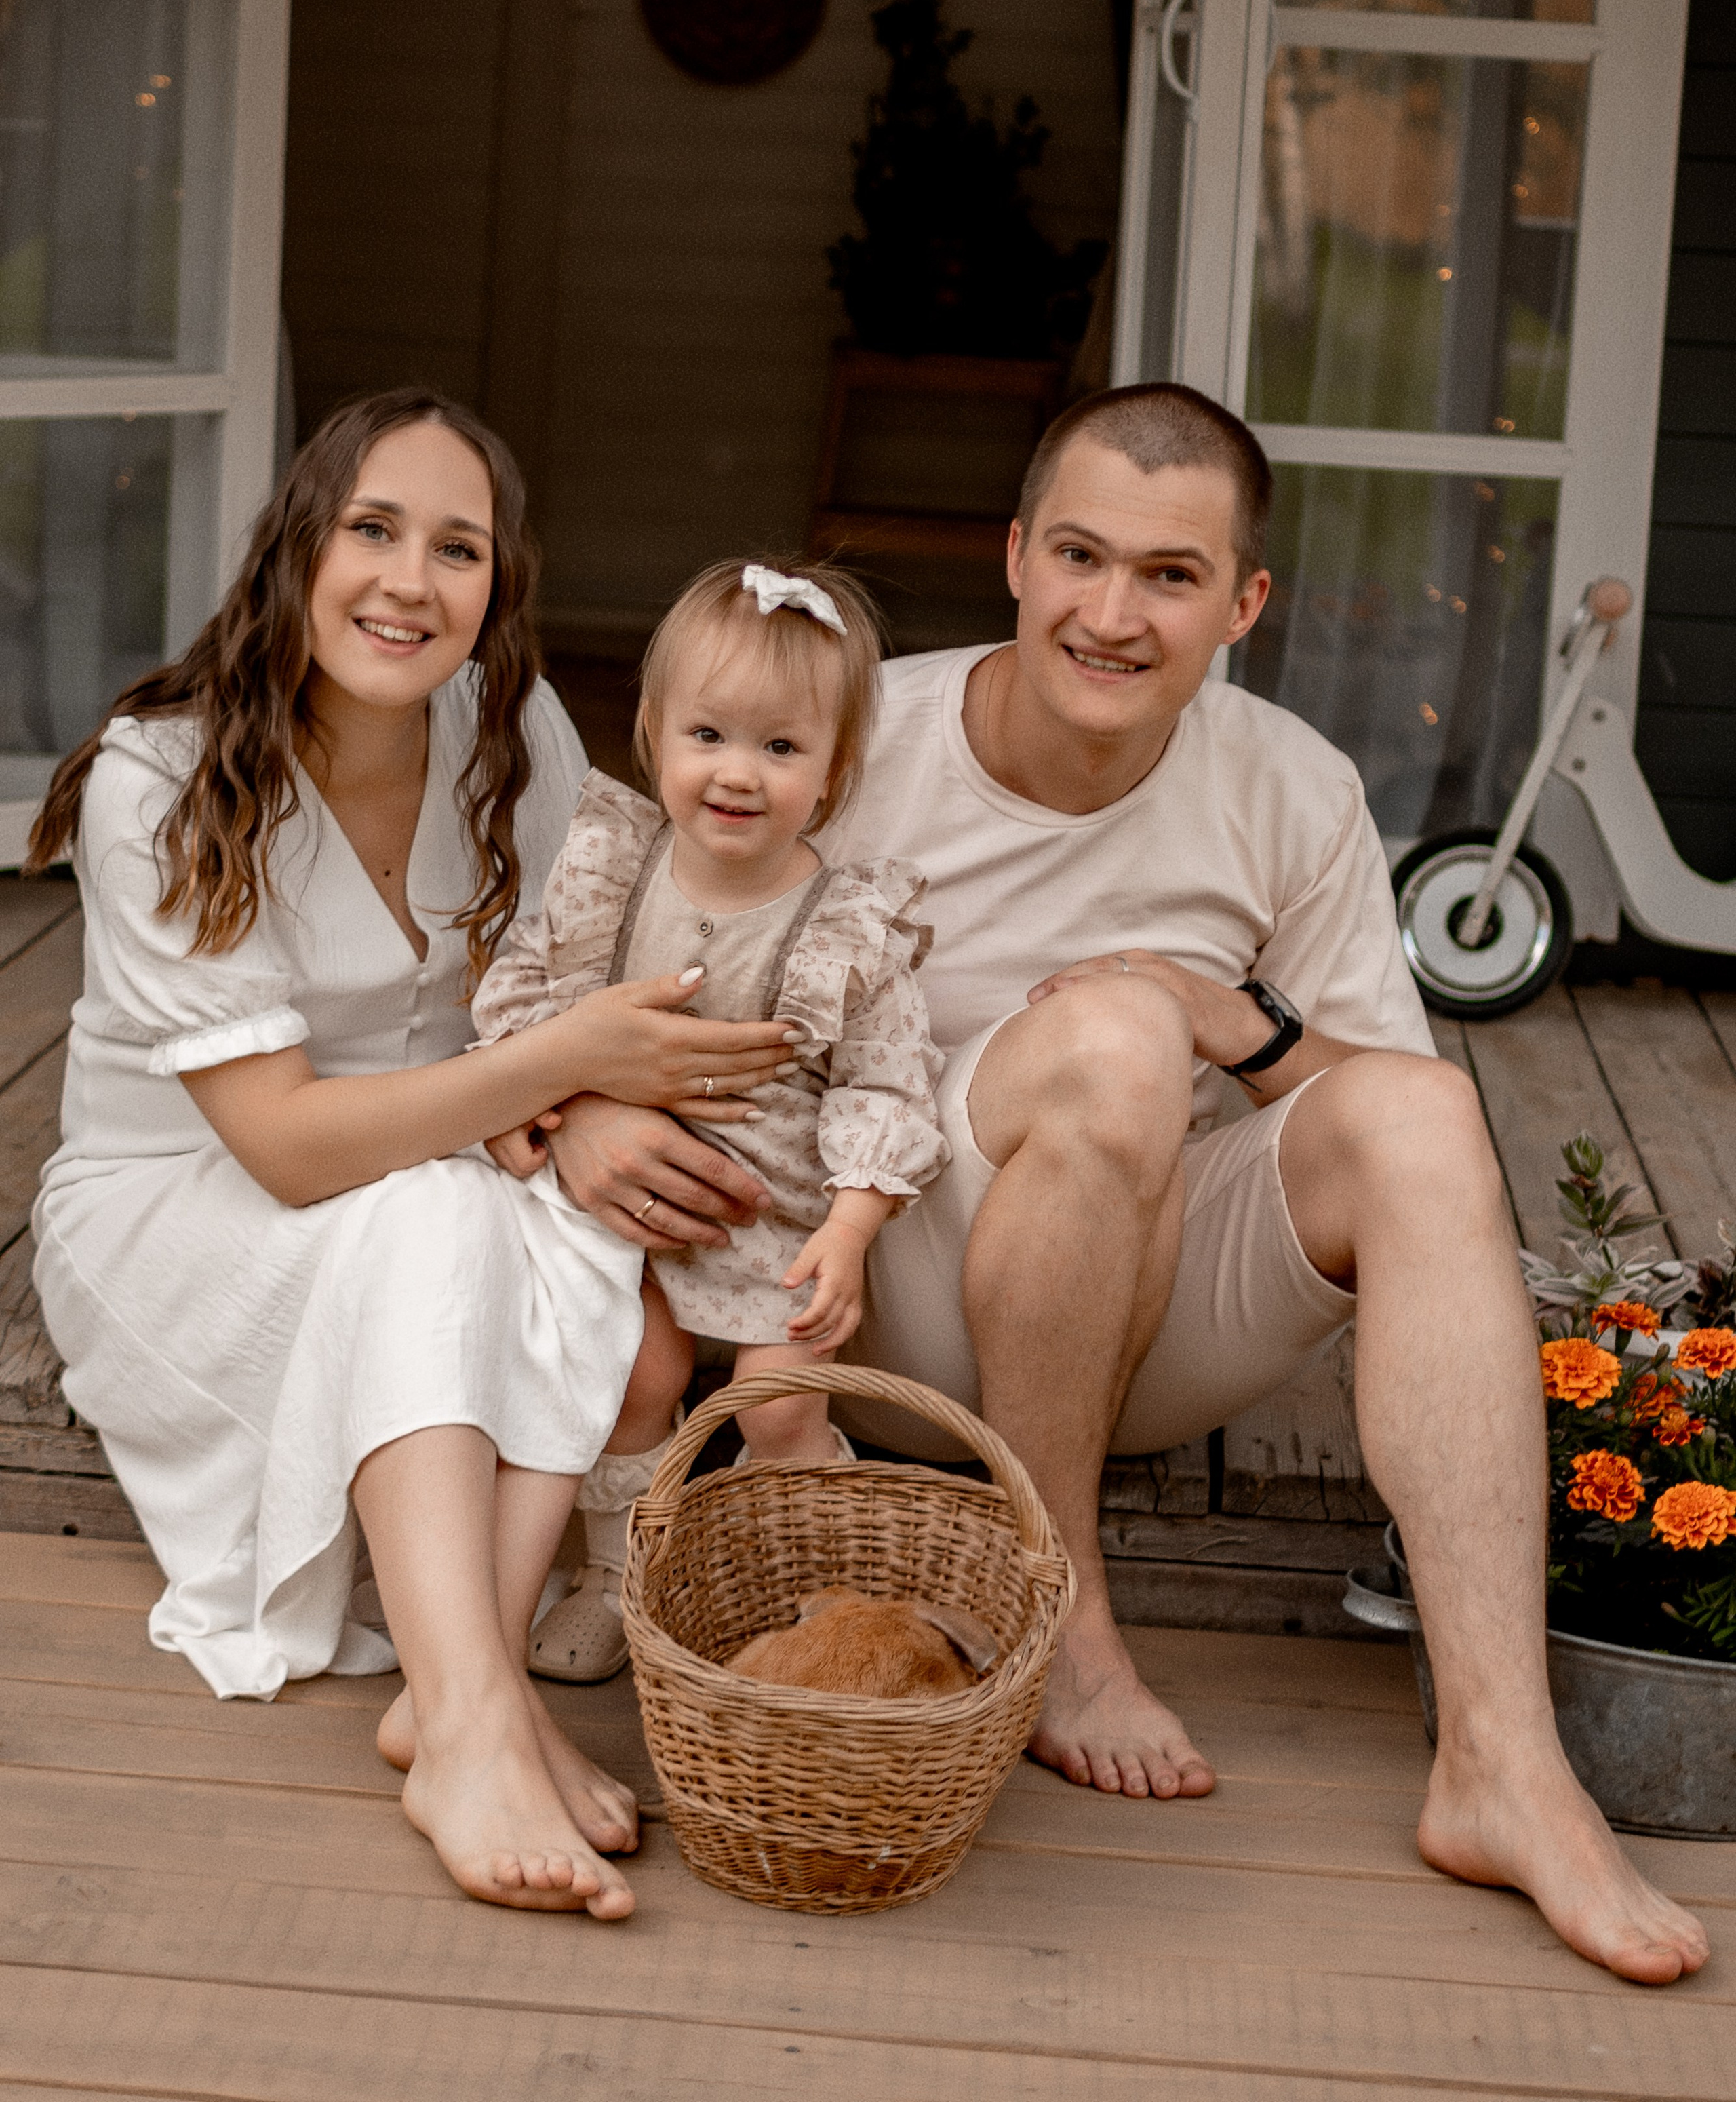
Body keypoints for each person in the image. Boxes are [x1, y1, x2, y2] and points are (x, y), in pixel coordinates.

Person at [533, 383, 1709, 1986]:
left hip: (1133, 1310)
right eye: (1077, 556)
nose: (1109, 612)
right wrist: (580, 1109)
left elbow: (1354, 1099)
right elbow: (614, 942)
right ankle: (1069, 1630)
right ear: (1013, 558)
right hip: (855, 1302)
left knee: (1425, 1114)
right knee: (1111, 1038)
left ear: (1242, 602)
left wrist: (1247, 1022)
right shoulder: (848, 735)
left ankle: (1501, 1762)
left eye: (1167, 575)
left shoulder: (1286, 785)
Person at [25, 389, 801, 1921]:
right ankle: (472, 1719)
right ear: (297, 545)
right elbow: (289, 1149)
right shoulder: (160, 780)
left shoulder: (506, 731)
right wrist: (562, 1073)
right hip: (183, 1213)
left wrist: (578, 1099)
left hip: (437, 1151)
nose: (409, 580)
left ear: (497, 593)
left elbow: (571, 984)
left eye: (459, 549)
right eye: (372, 529)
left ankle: (461, 1698)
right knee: (426, 1226)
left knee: (577, 1241)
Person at [476, 557, 946, 1680]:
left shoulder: (849, 922)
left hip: (777, 1215)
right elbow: (523, 996)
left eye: (781, 748)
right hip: (625, 1201)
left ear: (832, 770)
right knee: (635, 1377)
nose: (739, 774)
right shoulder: (610, 874)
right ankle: (618, 1571)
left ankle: (790, 1582)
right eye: (710, 736)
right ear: (651, 731)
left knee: (776, 1405)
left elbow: (885, 1084)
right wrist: (538, 1103)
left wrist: (849, 1230)